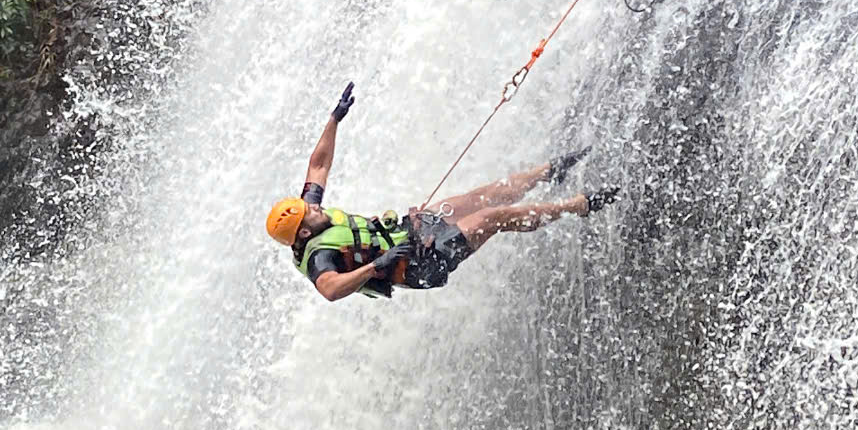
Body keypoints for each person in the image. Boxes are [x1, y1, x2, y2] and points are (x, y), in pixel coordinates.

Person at [263, 82, 618, 301]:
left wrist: (334, 119)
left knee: (485, 195)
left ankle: (550, 171)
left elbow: (319, 165)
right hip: (419, 264)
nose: (315, 205)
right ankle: (579, 205)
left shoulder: (310, 216)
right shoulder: (318, 257)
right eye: (309, 211)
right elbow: (330, 290)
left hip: (410, 230)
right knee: (494, 218)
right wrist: (377, 265)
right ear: (304, 232)